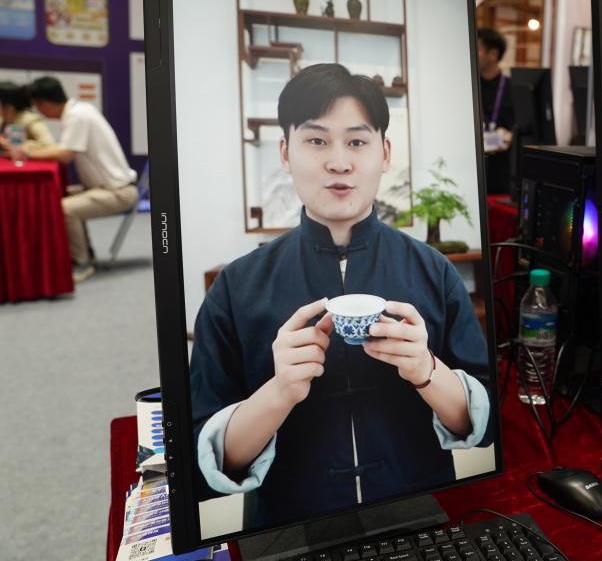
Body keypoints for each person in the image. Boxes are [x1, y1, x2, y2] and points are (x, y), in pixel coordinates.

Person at [190, 63, 492, 528]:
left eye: (356, 142)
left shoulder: (434, 271)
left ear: (384, 152)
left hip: (419, 516)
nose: (339, 162)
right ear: (285, 151)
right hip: (288, 529)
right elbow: (203, 460)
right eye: (316, 140)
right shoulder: (236, 287)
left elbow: (485, 426)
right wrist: (279, 393)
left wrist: (427, 371)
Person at [21, 76, 137, 282]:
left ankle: (82, 263)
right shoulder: (79, 110)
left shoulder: (77, 116)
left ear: (44, 103)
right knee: (57, 196)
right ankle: (87, 255)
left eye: (37, 106)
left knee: (64, 208)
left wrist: (27, 153)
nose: (38, 111)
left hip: (118, 192)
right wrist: (33, 150)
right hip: (105, 187)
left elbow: (65, 154)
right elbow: (62, 149)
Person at [476, 27, 515, 195]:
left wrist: (511, 135)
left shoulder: (512, 88)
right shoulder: (468, 86)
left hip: (502, 174)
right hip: (474, 169)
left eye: (477, 49)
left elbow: (521, 129)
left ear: (493, 54)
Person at [0, 82, 55, 148]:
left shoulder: (29, 120)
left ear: (9, 105)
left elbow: (49, 144)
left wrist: (19, 143)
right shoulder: (3, 119)